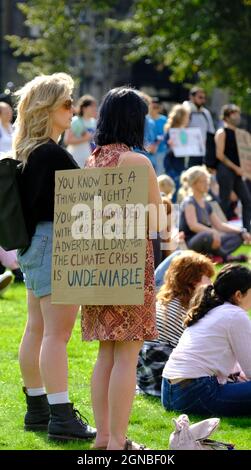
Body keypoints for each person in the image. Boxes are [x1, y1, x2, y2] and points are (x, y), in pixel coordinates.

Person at [81, 86, 167, 450]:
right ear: (136, 120)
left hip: (96, 264)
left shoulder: (92, 160)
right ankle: (117, 440)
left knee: (106, 352)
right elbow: (158, 219)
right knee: (126, 354)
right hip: (130, 263)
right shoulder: (139, 162)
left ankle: (103, 437)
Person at [14, 73, 96, 441]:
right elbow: (87, 197)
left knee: (37, 329)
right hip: (52, 241)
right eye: (67, 103)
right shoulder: (51, 152)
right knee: (57, 334)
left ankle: (38, 409)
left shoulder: (29, 151)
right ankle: (62, 416)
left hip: (33, 244)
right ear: (48, 109)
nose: (73, 109)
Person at [162, 264, 251, 416]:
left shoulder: (211, 310)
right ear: (238, 295)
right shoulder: (235, 315)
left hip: (169, 393)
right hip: (195, 393)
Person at [137, 251, 214, 397]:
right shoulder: (184, 310)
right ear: (193, 280)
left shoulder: (164, 301)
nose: (211, 283)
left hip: (146, 377)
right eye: (208, 277)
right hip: (165, 380)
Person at [179, 166, 251, 261]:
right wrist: (212, 232)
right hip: (193, 240)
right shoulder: (189, 202)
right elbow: (193, 226)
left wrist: (242, 231)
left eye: (207, 181)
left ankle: (215, 256)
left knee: (238, 237)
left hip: (210, 238)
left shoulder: (206, 204)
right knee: (209, 236)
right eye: (203, 181)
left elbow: (220, 225)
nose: (207, 184)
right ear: (194, 183)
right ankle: (225, 257)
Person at [215, 104, 251, 231]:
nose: (238, 117)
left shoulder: (240, 134)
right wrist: (236, 168)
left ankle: (247, 232)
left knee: (247, 200)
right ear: (227, 116)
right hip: (225, 171)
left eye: (238, 113)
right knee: (224, 201)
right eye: (234, 113)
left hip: (238, 172)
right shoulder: (222, 132)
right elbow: (219, 155)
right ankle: (219, 229)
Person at [183, 87, 215, 167]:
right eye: (200, 97)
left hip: (202, 152)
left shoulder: (205, 113)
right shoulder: (185, 110)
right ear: (191, 97)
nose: (203, 100)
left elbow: (211, 132)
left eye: (204, 98)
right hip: (187, 151)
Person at [163, 104, 190, 199]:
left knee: (179, 192)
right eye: (187, 117)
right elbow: (167, 149)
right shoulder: (171, 131)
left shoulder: (184, 132)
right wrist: (171, 146)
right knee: (171, 191)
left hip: (181, 165)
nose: (188, 119)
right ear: (181, 117)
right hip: (172, 165)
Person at [64, 94, 97, 168]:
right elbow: (67, 140)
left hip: (90, 159)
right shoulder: (75, 121)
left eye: (95, 106)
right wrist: (85, 139)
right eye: (92, 106)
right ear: (84, 108)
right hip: (76, 158)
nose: (94, 109)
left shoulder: (95, 122)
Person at [148, 97, 167, 175]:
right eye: (153, 107)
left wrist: (156, 143)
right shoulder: (145, 119)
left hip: (161, 151)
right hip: (147, 152)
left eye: (157, 107)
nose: (155, 109)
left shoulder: (164, 120)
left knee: (159, 174)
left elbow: (165, 134)